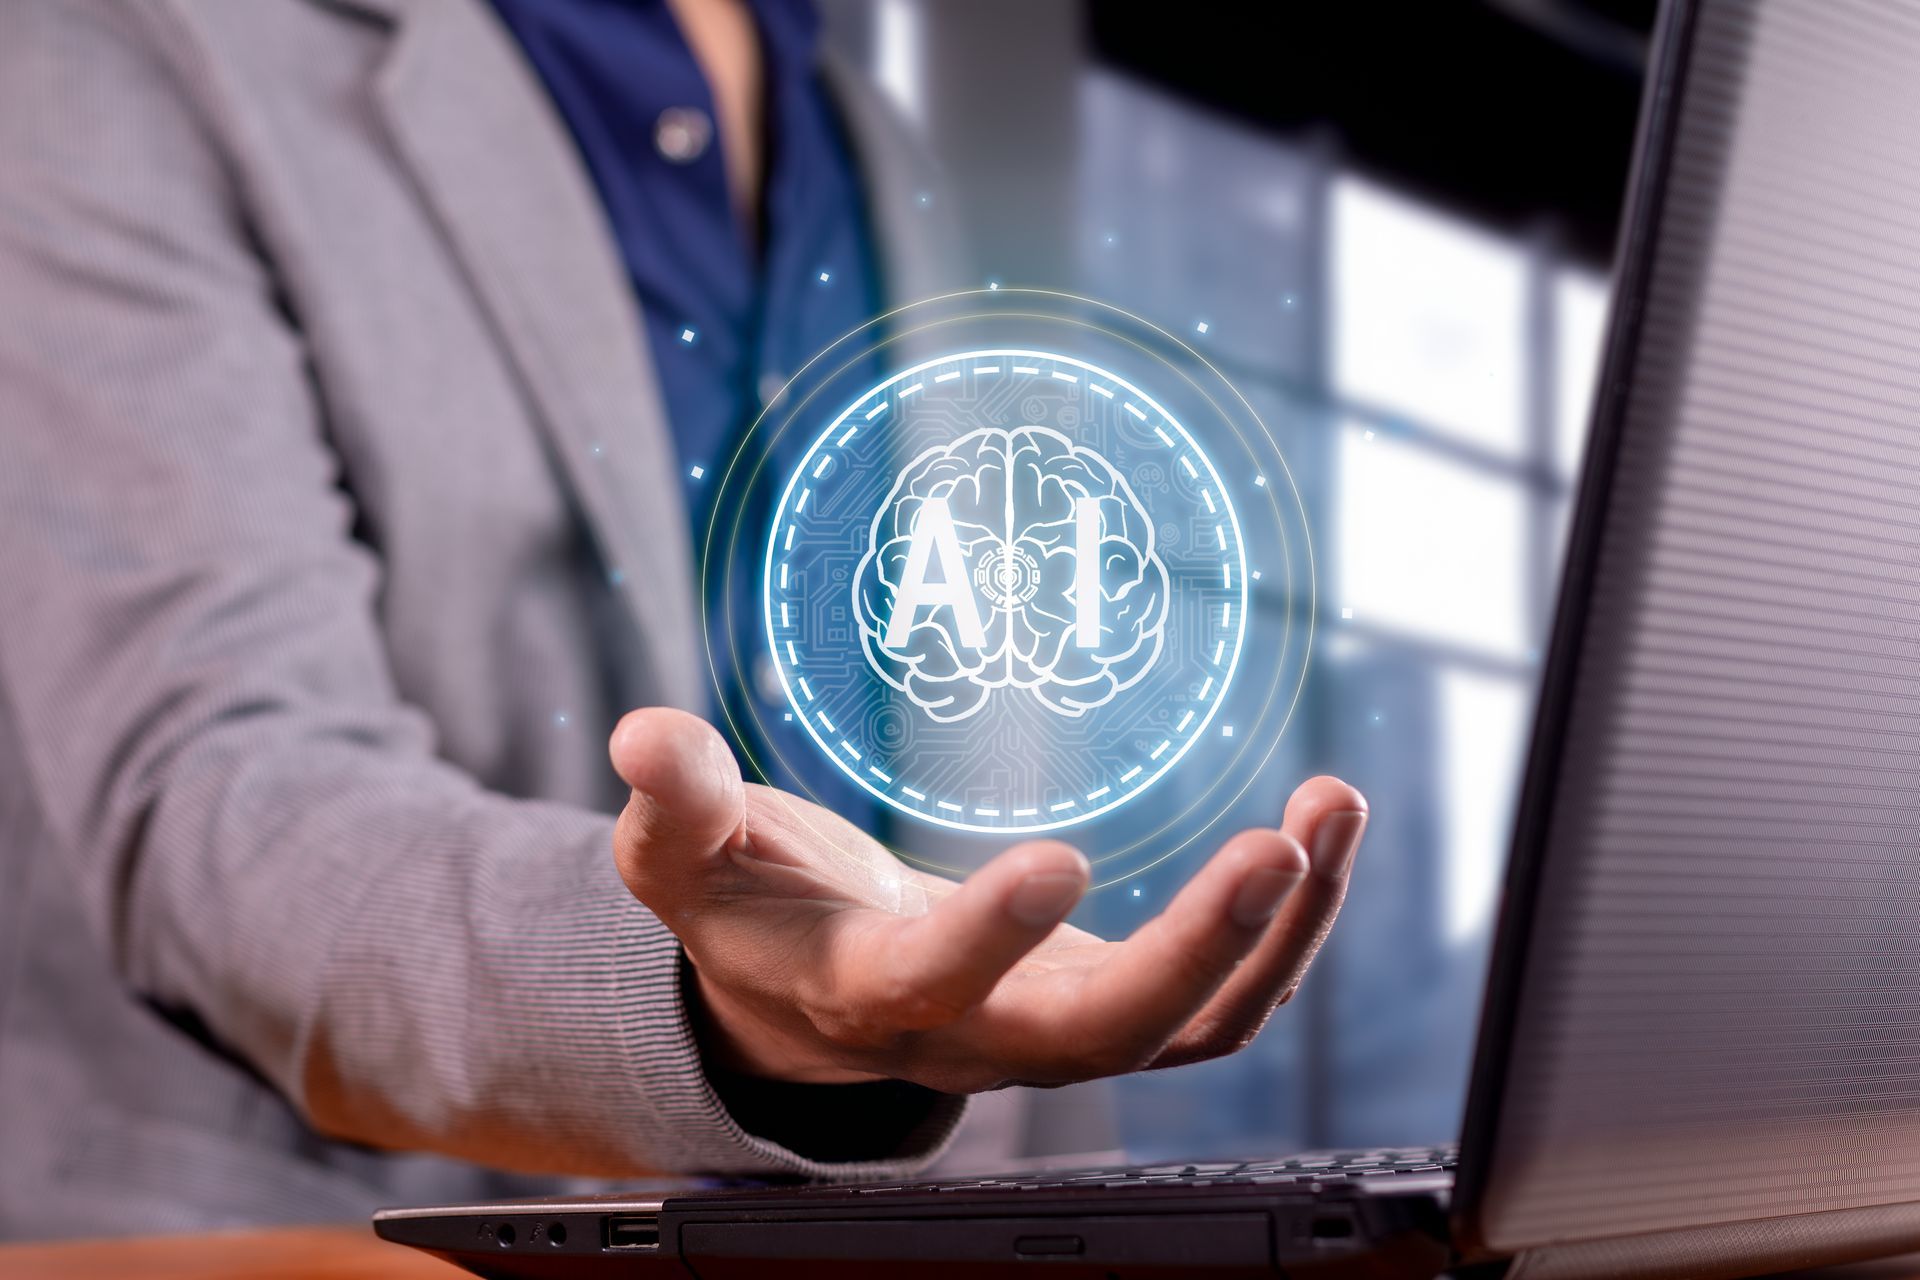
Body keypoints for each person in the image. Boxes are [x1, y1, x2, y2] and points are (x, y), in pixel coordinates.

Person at [0, 0, 1368, 1239]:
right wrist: (713, 995)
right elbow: (221, 789)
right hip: (308, 1240)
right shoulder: (119, 43)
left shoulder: (868, 140)